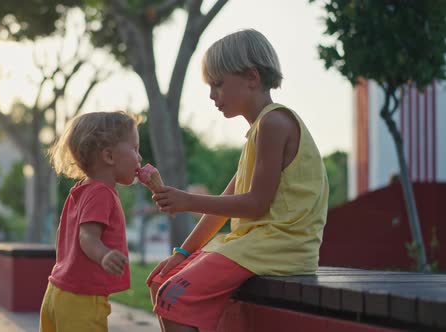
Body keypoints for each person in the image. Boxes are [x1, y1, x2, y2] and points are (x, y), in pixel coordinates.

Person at [146, 29, 329, 332]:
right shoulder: (258, 133)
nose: (211, 95)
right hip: (255, 245)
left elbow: (256, 204)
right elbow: (222, 209)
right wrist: (181, 253)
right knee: (160, 281)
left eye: (218, 84)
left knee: (173, 297)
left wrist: (187, 200)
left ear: (252, 77)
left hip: (280, 246)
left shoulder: (274, 123)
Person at [40, 111, 142, 332]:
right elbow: (87, 236)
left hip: (58, 293)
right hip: (81, 300)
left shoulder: (82, 190)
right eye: (134, 149)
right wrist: (104, 254)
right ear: (109, 156)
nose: (139, 158)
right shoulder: (102, 193)